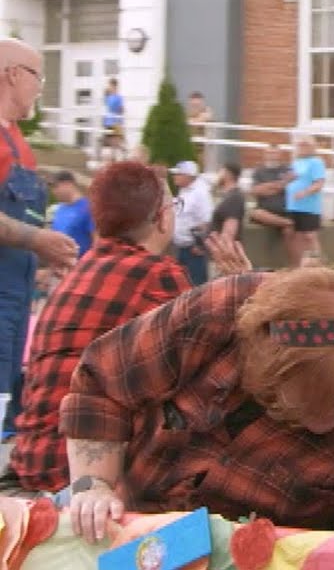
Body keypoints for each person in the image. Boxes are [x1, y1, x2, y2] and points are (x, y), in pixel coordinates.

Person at [59, 267, 334, 543]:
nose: (321, 424)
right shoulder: (213, 317)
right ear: (255, 363)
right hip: (137, 525)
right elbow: (100, 385)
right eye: (294, 410)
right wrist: (93, 485)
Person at [9, 161, 191, 492]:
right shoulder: (157, 275)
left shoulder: (81, 271)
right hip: (85, 474)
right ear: (162, 217)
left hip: (34, 457)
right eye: (173, 205)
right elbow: (205, 369)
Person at [0, 38, 78, 438]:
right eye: (37, 76)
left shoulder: (17, 141)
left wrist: (46, 252)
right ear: (12, 75)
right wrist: (36, 240)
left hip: (16, 295)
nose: (40, 88)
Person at [170, 160, 213, 285]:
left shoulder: (200, 193)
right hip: (181, 248)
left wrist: (200, 244)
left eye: (178, 174)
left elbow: (206, 220)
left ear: (188, 176)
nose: (174, 177)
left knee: (195, 286)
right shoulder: (184, 191)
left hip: (193, 250)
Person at [286, 134, 326, 267]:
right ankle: (297, 267)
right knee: (295, 236)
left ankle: (318, 266)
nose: (302, 147)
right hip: (293, 206)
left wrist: (305, 192)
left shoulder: (316, 162)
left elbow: (319, 183)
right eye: (300, 145)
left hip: (309, 206)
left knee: (310, 236)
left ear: (312, 147)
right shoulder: (295, 162)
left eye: (305, 145)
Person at [248, 145, 295, 253]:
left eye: (274, 153)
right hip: (265, 212)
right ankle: (286, 223)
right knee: (257, 213)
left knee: (289, 232)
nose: (272, 156)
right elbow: (255, 191)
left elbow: (291, 187)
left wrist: (268, 187)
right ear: (265, 155)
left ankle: (293, 266)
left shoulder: (287, 169)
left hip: (284, 211)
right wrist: (280, 184)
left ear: (280, 154)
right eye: (269, 153)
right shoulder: (259, 171)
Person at [48, 171, 94, 258]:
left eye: (56, 187)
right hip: (61, 266)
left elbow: (97, 242)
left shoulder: (88, 208)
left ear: (68, 184)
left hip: (81, 266)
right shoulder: (60, 209)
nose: (53, 192)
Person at [211, 162, 246, 243]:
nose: (218, 175)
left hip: (222, 251)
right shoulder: (228, 196)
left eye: (220, 172)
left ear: (228, 174)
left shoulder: (234, 198)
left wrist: (221, 251)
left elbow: (229, 233)